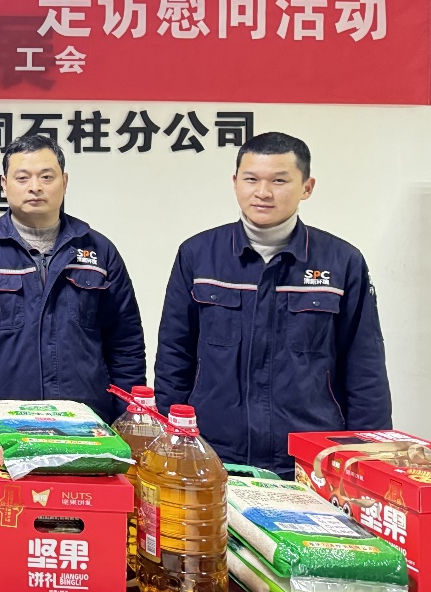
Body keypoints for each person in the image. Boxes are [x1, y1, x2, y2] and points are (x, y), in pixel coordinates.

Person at [155, 131, 391, 477]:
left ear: (307, 187)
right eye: (251, 179)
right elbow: (174, 355)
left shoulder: (342, 262)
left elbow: (364, 366)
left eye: (279, 181)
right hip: (214, 453)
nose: (263, 192)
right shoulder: (198, 255)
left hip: (310, 458)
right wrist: (171, 438)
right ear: (235, 182)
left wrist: (369, 458)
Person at [0, 135, 145, 424]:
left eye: (46, 177)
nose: (35, 187)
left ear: (65, 182)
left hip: (86, 421)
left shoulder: (100, 252)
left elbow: (125, 345)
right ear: (4, 184)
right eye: (22, 177)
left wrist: (125, 419)